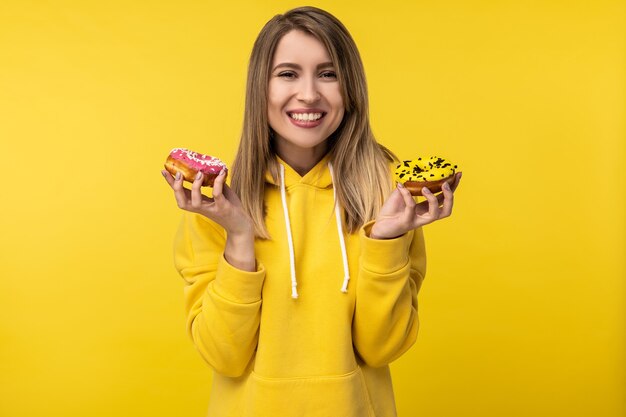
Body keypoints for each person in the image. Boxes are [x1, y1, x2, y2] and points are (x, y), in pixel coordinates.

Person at [161, 6, 461, 417]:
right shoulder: (217, 202)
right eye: (287, 74)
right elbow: (223, 356)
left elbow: (383, 348)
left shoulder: (388, 195)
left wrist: (386, 240)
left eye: (328, 73)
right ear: (259, 88)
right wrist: (239, 238)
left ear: (350, 87)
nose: (308, 94)